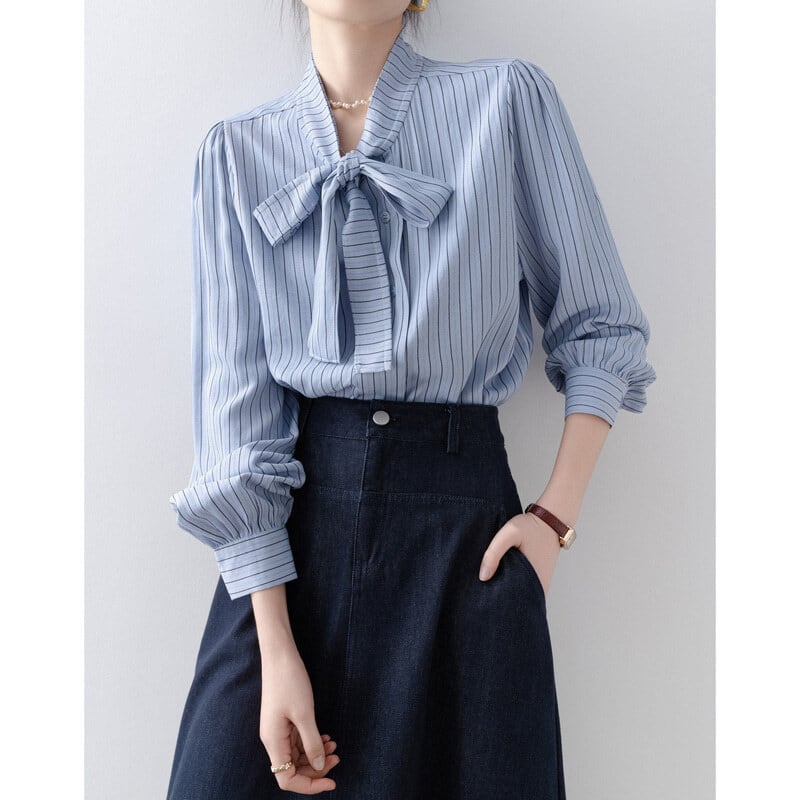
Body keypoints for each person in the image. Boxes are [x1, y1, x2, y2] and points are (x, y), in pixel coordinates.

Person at [165, 2, 656, 798]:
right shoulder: (236, 152)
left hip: (465, 546)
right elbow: (237, 406)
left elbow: (601, 326)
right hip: (288, 560)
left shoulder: (507, 102)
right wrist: (276, 649)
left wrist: (552, 519)